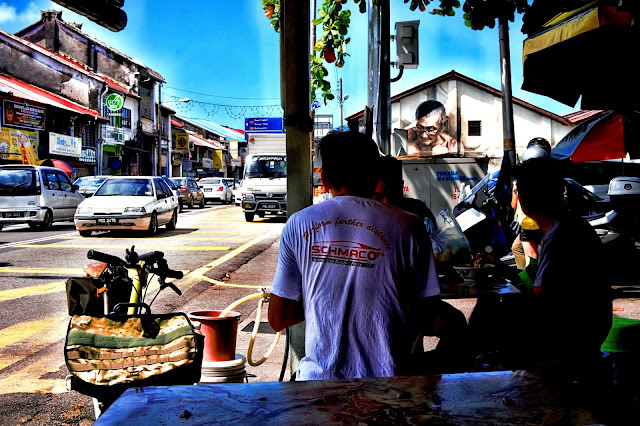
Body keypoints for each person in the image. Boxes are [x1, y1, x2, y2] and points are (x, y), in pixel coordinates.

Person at [268, 132, 463, 380]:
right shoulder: (410, 226)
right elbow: (427, 313)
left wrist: (326, 299)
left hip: (318, 384)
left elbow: (278, 318)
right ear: (375, 176)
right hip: (389, 387)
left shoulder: (298, 224)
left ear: (324, 179)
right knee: (456, 322)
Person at [512, 156, 612, 379]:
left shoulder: (560, 235)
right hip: (587, 335)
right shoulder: (570, 226)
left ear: (524, 203)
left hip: (571, 344)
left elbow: (542, 299)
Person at [511, 137, 551, 271]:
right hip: (547, 223)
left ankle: (530, 280)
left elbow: (514, 204)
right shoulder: (551, 178)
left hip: (527, 224)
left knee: (531, 257)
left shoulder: (519, 181)